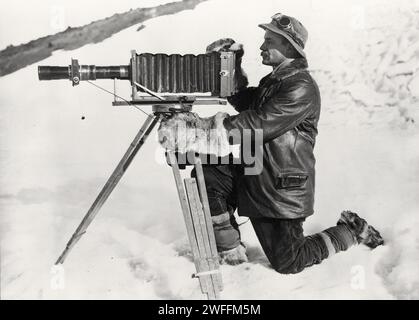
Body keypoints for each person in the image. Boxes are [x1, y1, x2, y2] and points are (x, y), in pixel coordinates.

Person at [158, 13, 384, 274]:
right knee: (208, 174)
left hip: (279, 186)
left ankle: (350, 232)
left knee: (290, 262)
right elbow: (247, 103)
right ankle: (230, 248)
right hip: (257, 172)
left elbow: (258, 123)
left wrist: (197, 130)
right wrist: (230, 68)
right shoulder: (277, 81)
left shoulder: (301, 87)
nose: (262, 47)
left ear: (289, 46)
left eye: (269, 41)